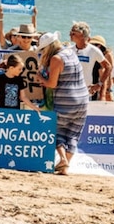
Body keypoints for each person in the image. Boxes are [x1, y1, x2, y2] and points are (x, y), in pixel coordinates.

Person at [35, 32, 88, 175]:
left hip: (66, 99)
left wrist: (40, 77)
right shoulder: (70, 52)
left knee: (56, 130)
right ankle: (65, 168)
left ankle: (63, 159)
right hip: (83, 99)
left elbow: (51, 84)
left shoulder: (56, 59)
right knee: (73, 134)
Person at [68, 21, 111, 99]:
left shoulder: (93, 50)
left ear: (82, 35)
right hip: (70, 92)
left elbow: (108, 66)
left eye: (73, 33)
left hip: (85, 93)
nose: (70, 35)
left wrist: (99, 84)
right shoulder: (69, 50)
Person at [89, 36, 114, 101]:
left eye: (92, 44)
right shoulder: (93, 55)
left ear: (99, 46)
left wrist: (108, 89)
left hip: (104, 84)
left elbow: (110, 72)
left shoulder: (107, 55)